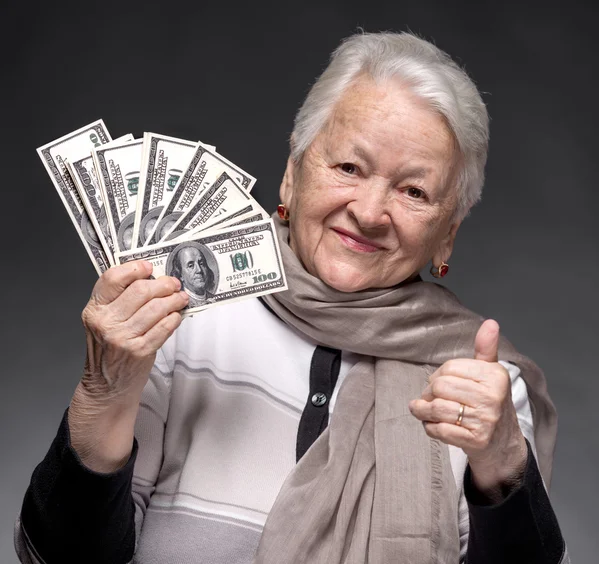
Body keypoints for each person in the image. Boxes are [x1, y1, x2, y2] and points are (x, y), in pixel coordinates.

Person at [15, 32, 569, 564]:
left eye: (414, 191)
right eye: (349, 167)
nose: (371, 212)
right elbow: (66, 555)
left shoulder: (479, 387)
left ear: (447, 232)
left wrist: (500, 461)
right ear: (291, 175)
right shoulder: (182, 309)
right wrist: (103, 394)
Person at [169, 243, 216, 307]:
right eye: (191, 266)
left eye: (201, 263)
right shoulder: (178, 303)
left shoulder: (214, 298)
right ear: (180, 275)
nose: (199, 270)